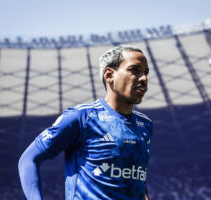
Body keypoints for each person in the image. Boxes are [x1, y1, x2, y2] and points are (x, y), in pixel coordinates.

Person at [18, 45, 153, 200]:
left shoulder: (145, 125)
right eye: (134, 70)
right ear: (109, 75)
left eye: (146, 72)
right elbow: (28, 159)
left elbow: (137, 176)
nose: (144, 78)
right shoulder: (82, 117)